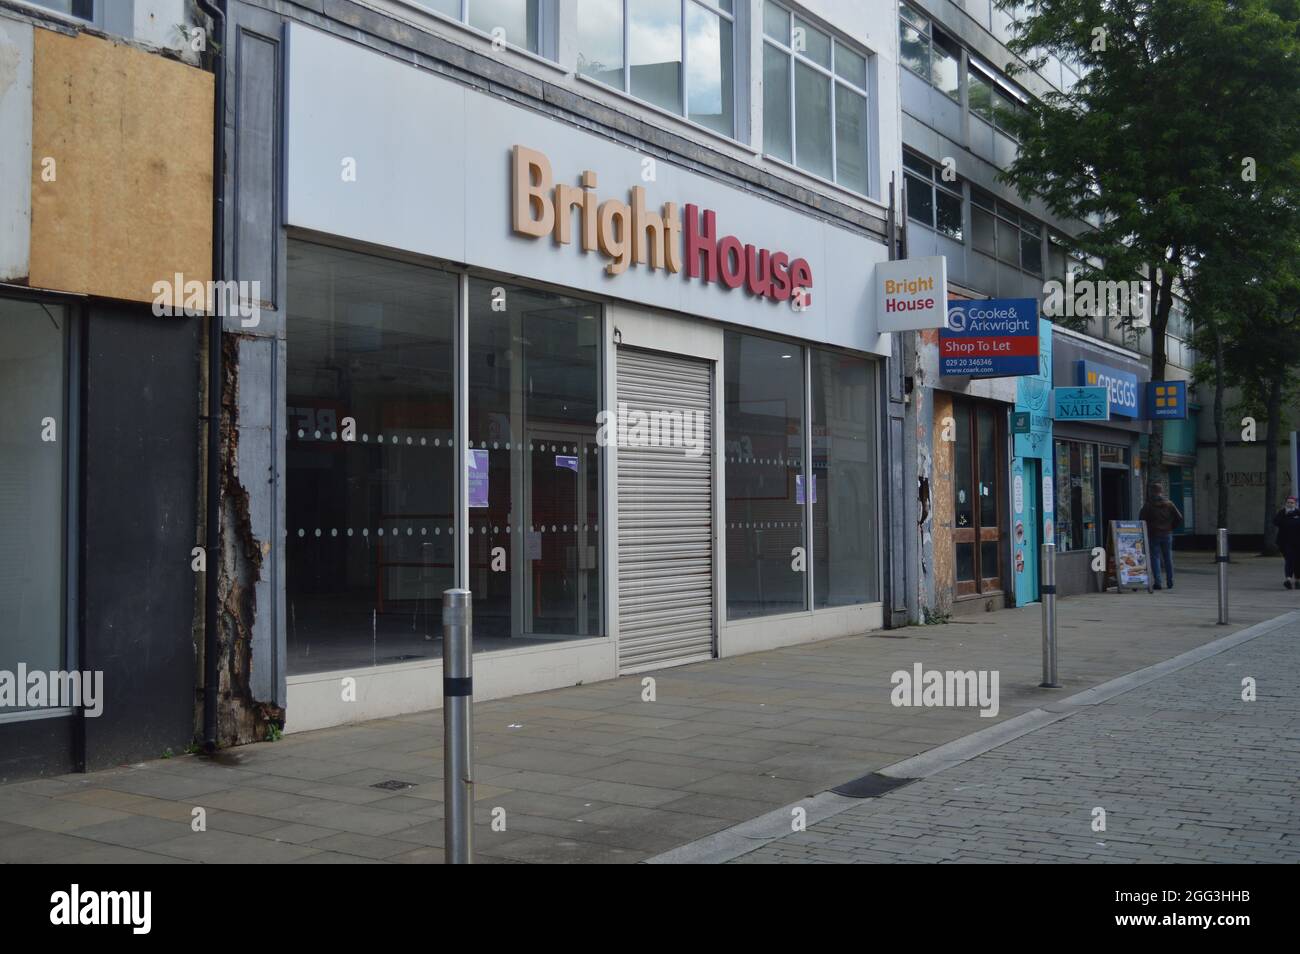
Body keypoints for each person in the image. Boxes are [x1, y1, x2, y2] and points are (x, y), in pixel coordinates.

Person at [1139, 482, 1183, 590]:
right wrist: (1171, 527)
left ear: (1152, 492)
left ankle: (1158, 582)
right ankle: (1170, 581)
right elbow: (1179, 517)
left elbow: (1141, 519)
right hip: (1167, 534)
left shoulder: (1148, 505)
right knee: (1168, 557)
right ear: (1161, 491)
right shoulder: (1169, 504)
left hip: (1154, 534)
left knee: (1155, 557)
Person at [1273, 495, 1300, 590]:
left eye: (1292, 502)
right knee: (1289, 560)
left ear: (1295, 504)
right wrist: (1284, 514)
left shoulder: (1298, 512)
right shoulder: (1282, 513)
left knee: (1297, 561)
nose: (1290, 504)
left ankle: (1297, 580)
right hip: (1285, 542)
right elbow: (1276, 522)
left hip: (1298, 542)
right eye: (1288, 502)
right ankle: (1288, 579)